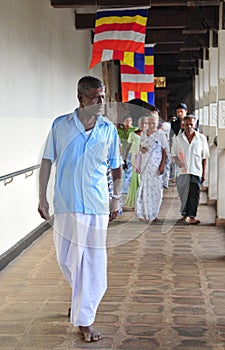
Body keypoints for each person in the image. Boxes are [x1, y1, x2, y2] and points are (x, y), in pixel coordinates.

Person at [38, 75, 122, 342]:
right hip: (66, 203)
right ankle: (80, 297)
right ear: (80, 98)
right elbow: (47, 162)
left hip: (97, 205)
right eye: (95, 97)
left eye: (103, 96)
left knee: (92, 262)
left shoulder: (108, 129)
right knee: (67, 260)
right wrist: (42, 197)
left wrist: (116, 197)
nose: (100, 102)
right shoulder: (60, 126)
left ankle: (85, 319)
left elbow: (116, 165)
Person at [171, 114, 210, 225]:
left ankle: (192, 216)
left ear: (195, 124)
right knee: (183, 193)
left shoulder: (201, 139)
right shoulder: (178, 139)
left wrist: (203, 173)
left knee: (194, 194)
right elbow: (173, 155)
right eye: (186, 124)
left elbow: (204, 157)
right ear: (183, 125)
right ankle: (184, 214)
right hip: (182, 171)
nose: (189, 126)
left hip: (195, 170)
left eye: (191, 124)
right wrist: (179, 162)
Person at [136, 113, 170, 223]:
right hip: (145, 166)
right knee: (144, 189)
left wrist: (162, 166)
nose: (150, 125)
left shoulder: (161, 135)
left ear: (157, 123)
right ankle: (144, 213)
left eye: (152, 123)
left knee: (156, 190)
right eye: (147, 123)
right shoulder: (143, 134)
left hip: (156, 166)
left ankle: (153, 214)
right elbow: (140, 148)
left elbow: (165, 151)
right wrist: (142, 150)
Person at [123, 116, 148, 208]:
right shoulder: (133, 134)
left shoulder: (149, 135)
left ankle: (143, 200)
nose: (143, 125)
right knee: (136, 178)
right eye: (141, 123)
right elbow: (128, 147)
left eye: (145, 123)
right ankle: (135, 201)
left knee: (144, 179)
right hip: (136, 157)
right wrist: (124, 159)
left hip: (146, 158)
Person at [117, 115, 137, 193]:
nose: (128, 122)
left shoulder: (134, 130)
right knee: (122, 170)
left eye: (130, 121)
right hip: (121, 152)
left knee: (129, 170)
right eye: (126, 121)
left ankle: (127, 189)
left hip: (131, 152)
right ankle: (123, 187)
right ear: (123, 122)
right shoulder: (119, 130)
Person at [169, 103, 188, 183]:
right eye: (178, 112)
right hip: (178, 144)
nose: (179, 114)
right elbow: (172, 134)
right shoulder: (175, 122)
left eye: (181, 111)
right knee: (178, 162)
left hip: (187, 145)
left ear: (186, 111)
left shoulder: (190, 121)